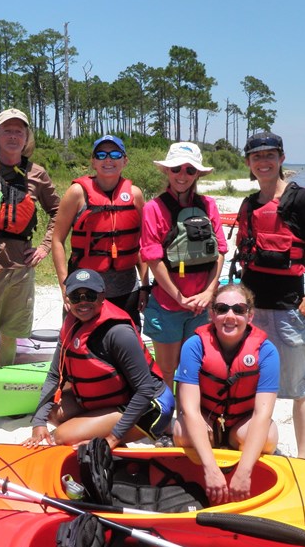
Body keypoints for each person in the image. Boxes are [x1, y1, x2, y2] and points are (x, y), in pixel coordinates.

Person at [231, 132, 305, 459]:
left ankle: (304, 458)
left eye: (270, 156)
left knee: (300, 390)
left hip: (289, 310)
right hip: (250, 313)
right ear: (249, 165)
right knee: (250, 385)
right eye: (256, 157)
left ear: (281, 159)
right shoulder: (249, 204)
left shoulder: (302, 199)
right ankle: (253, 446)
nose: (263, 162)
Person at [23, 269, 174, 450]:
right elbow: (55, 375)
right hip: (115, 400)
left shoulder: (118, 333)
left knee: (62, 436)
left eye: (90, 295)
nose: (83, 302)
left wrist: (112, 439)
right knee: (53, 413)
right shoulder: (71, 324)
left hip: (152, 408)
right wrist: (38, 423)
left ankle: (148, 431)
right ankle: (99, 428)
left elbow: (145, 391)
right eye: (76, 297)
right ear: (67, 298)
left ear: (102, 296)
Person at [140, 142, 227, 445]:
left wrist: (209, 292)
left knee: (196, 367)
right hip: (168, 303)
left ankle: (196, 418)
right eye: (176, 168)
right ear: (167, 170)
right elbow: (153, 257)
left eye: (189, 169)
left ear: (197, 174)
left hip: (202, 304)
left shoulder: (209, 206)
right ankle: (166, 423)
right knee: (167, 369)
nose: (182, 174)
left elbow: (219, 253)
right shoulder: (154, 208)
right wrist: (177, 296)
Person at [0, 108, 60, 367]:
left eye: (19, 131)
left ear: (26, 137)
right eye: (7, 130)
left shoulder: (37, 174)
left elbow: (58, 211)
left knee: (11, 334)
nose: (13, 136)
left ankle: (2, 385)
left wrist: (44, 247)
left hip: (21, 268)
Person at [172, 284, 280, 504]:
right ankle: (202, 468)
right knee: (181, 432)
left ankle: (239, 460)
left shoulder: (267, 351)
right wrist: (210, 469)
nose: (230, 316)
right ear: (212, 314)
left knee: (268, 439)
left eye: (238, 310)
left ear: (250, 315)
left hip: (241, 423)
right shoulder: (194, 346)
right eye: (222, 309)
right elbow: (190, 410)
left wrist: (244, 472)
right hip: (207, 421)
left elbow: (262, 415)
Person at [51, 135, 145, 328]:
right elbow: (57, 240)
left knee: (125, 344)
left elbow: (143, 243)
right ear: (93, 162)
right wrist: (64, 286)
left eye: (115, 154)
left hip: (126, 288)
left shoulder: (135, 195)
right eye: (101, 155)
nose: (108, 160)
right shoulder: (77, 193)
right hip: (83, 288)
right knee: (81, 347)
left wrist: (145, 285)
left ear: (124, 160)